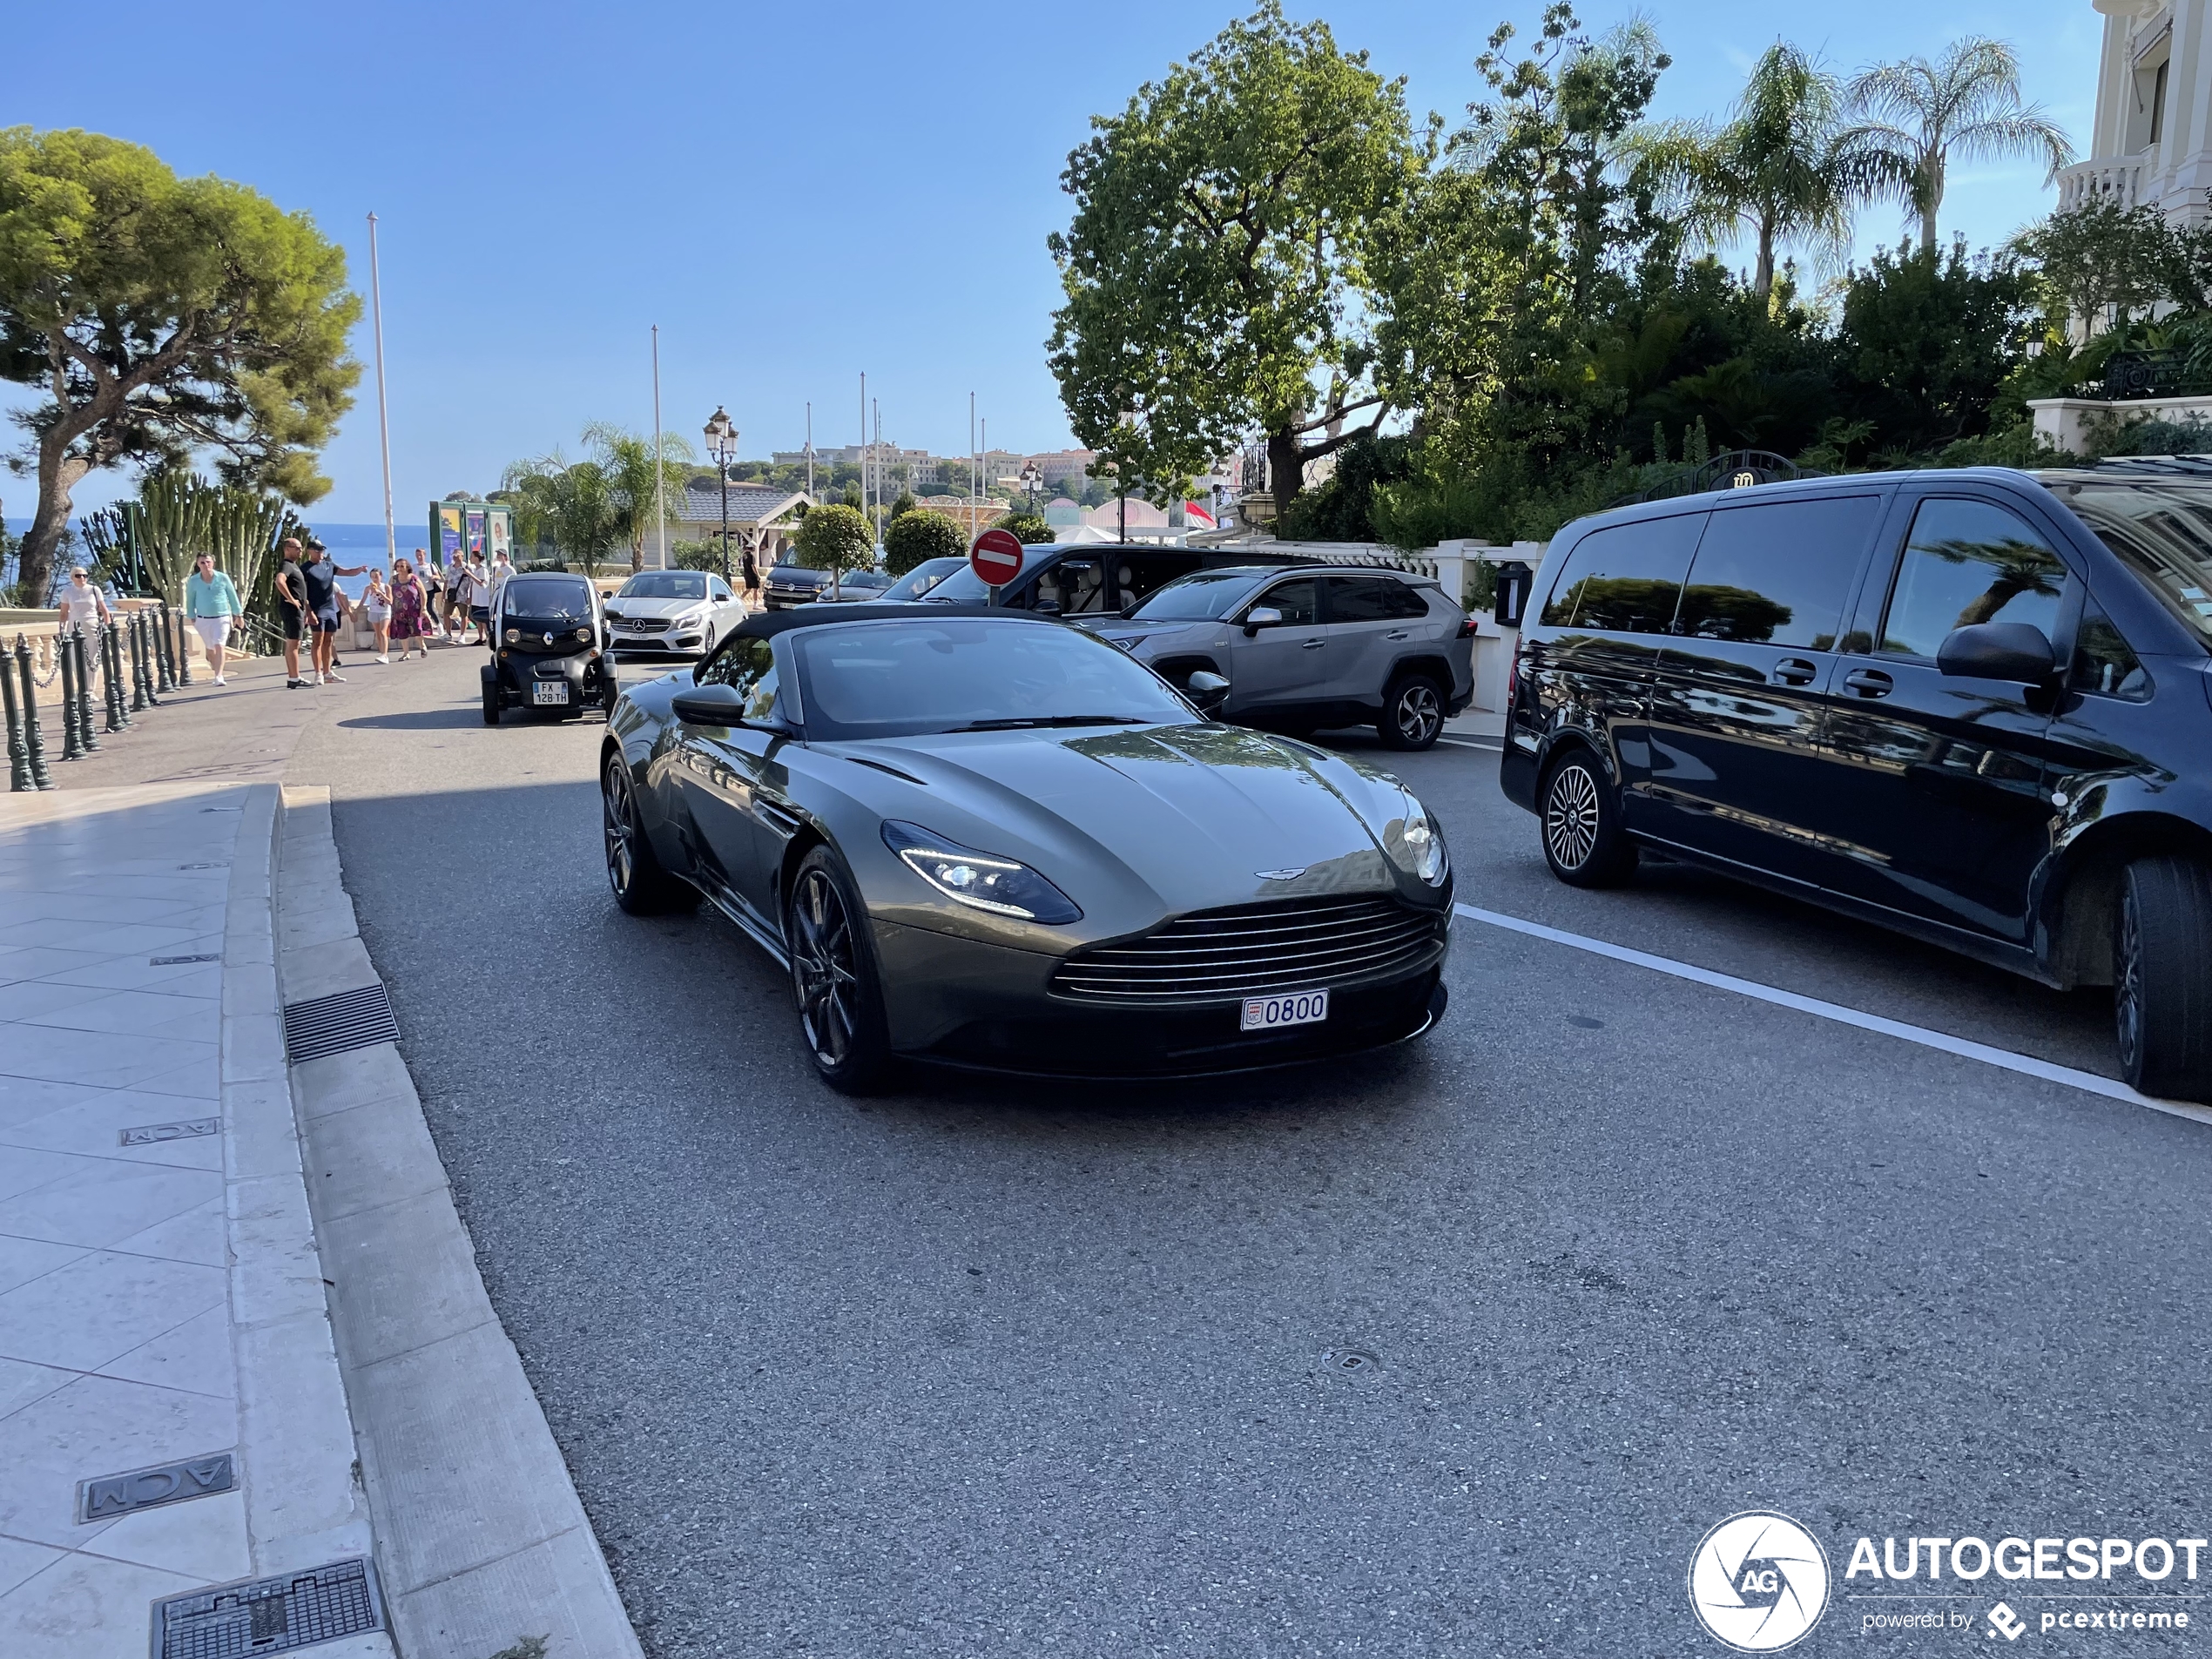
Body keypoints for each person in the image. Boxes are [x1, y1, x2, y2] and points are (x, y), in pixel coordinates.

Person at [300, 541, 368, 685]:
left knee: (329, 641)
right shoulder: (305, 569)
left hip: (330, 608)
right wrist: (308, 611)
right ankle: (318, 673)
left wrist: (359, 569)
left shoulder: (329, 565)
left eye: (322, 550)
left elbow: (346, 572)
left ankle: (327, 672)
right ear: (309, 551)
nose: (320, 553)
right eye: (317, 550)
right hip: (316, 609)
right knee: (317, 640)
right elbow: (302, 593)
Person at [183, 553, 244, 685]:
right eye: (202, 563)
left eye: (208, 562)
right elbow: (190, 600)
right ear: (198, 565)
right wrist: (192, 617)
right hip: (203, 619)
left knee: (220, 645)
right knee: (210, 649)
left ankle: (219, 676)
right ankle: (216, 668)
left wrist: (238, 614)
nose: (206, 565)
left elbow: (232, 596)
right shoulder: (193, 581)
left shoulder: (222, 578)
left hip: (222, 617)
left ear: (213, 563)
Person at [274, 538, 309, 687]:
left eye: (301, 548)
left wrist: (305, 609)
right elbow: (279, 581)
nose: (300, 551)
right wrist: (292, 600)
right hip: (291, 609)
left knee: (296, 642)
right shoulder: (286, 565)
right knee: (293, 643)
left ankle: (294, 677)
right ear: (287, 549)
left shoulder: (294, 566)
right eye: (297, 548)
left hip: (298, 609)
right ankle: (294, 678)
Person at [388, 559, 431, 660]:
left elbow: (423, 593)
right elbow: (389, 593)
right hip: (399, 611)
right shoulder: (393, 579)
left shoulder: (413, 579)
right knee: (402, 632)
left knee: (417, 629)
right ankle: (406, 653)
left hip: (414, 609)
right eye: (398, 566)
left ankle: (422, 646)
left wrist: (423, 607)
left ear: (407, 567)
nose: (400, 569)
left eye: (402, 566)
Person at [55, 566, 111, 637]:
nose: (82, 578)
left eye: (85, 576)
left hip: (93, 627)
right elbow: (64, 613)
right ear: (72, 578)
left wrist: (107, 627)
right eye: (78, 576)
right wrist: (62, 630)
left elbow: (104, 610)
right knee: (75, 647)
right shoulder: (67, 592)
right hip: (74, 628)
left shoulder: (94, 590)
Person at [461, 550, 493, 644]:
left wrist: (469, 574)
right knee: (477, 619)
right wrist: (470, 597)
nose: (470, 558)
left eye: (472, 556)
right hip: (476, 599)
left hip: (483, 600)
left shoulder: (483, 570)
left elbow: (481, 583)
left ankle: (488, 637)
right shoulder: (476, 570)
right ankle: (480, 637)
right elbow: (472, 585)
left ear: (476, 558)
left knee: (484, 619)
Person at [361, 568, 393, 663]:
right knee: (378, 633)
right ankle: (382, 653)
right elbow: (363, 600)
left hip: (385, 612)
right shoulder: (368, 588)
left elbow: (390, 601)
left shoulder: (386, 587)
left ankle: (385, 655)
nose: (374, 579)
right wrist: (355, 611)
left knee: (383, 631)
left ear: (381, 576)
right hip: (374, 611)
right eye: (372, 577)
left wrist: (380, 593)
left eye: (376, 576)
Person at [418, 553, 445, 645]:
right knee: (418, 609)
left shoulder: (430, 566)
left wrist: (434, 577)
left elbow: (439, 576)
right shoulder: (414, 567)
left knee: (429, 608)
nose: (419, 557)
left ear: (424, 556)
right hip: (418, 591)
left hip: (429, 590)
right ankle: (421, 627)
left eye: (421, 555)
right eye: (417, 555)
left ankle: (439, 625)